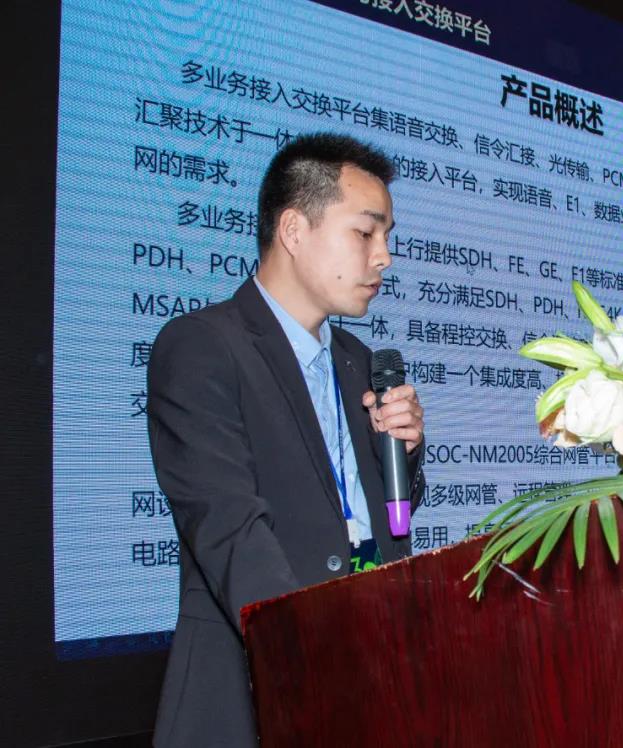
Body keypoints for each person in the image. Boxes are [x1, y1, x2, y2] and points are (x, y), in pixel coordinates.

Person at [147, 132, 425, 747]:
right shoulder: (202, 347)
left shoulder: (358, 360)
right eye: (365, 232)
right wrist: (314, 654)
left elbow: (376, 519)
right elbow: (229, 527)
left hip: (370, 674)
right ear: (294, 230)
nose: (384, 257)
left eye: (387, 237)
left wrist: (404, 454)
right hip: (259, 686)